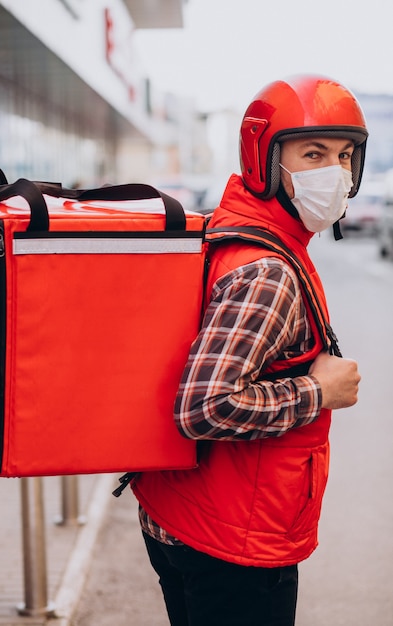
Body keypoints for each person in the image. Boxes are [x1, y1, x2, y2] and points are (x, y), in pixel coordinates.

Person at [131, 74, 367, 626]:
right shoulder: (268, 271)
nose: (335, 172)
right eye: (314, 153)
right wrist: (318, 390)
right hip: (232, 540)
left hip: (187, 513)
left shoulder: (237, 232)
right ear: (264, 159)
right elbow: (203, 406)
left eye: (345, 155)